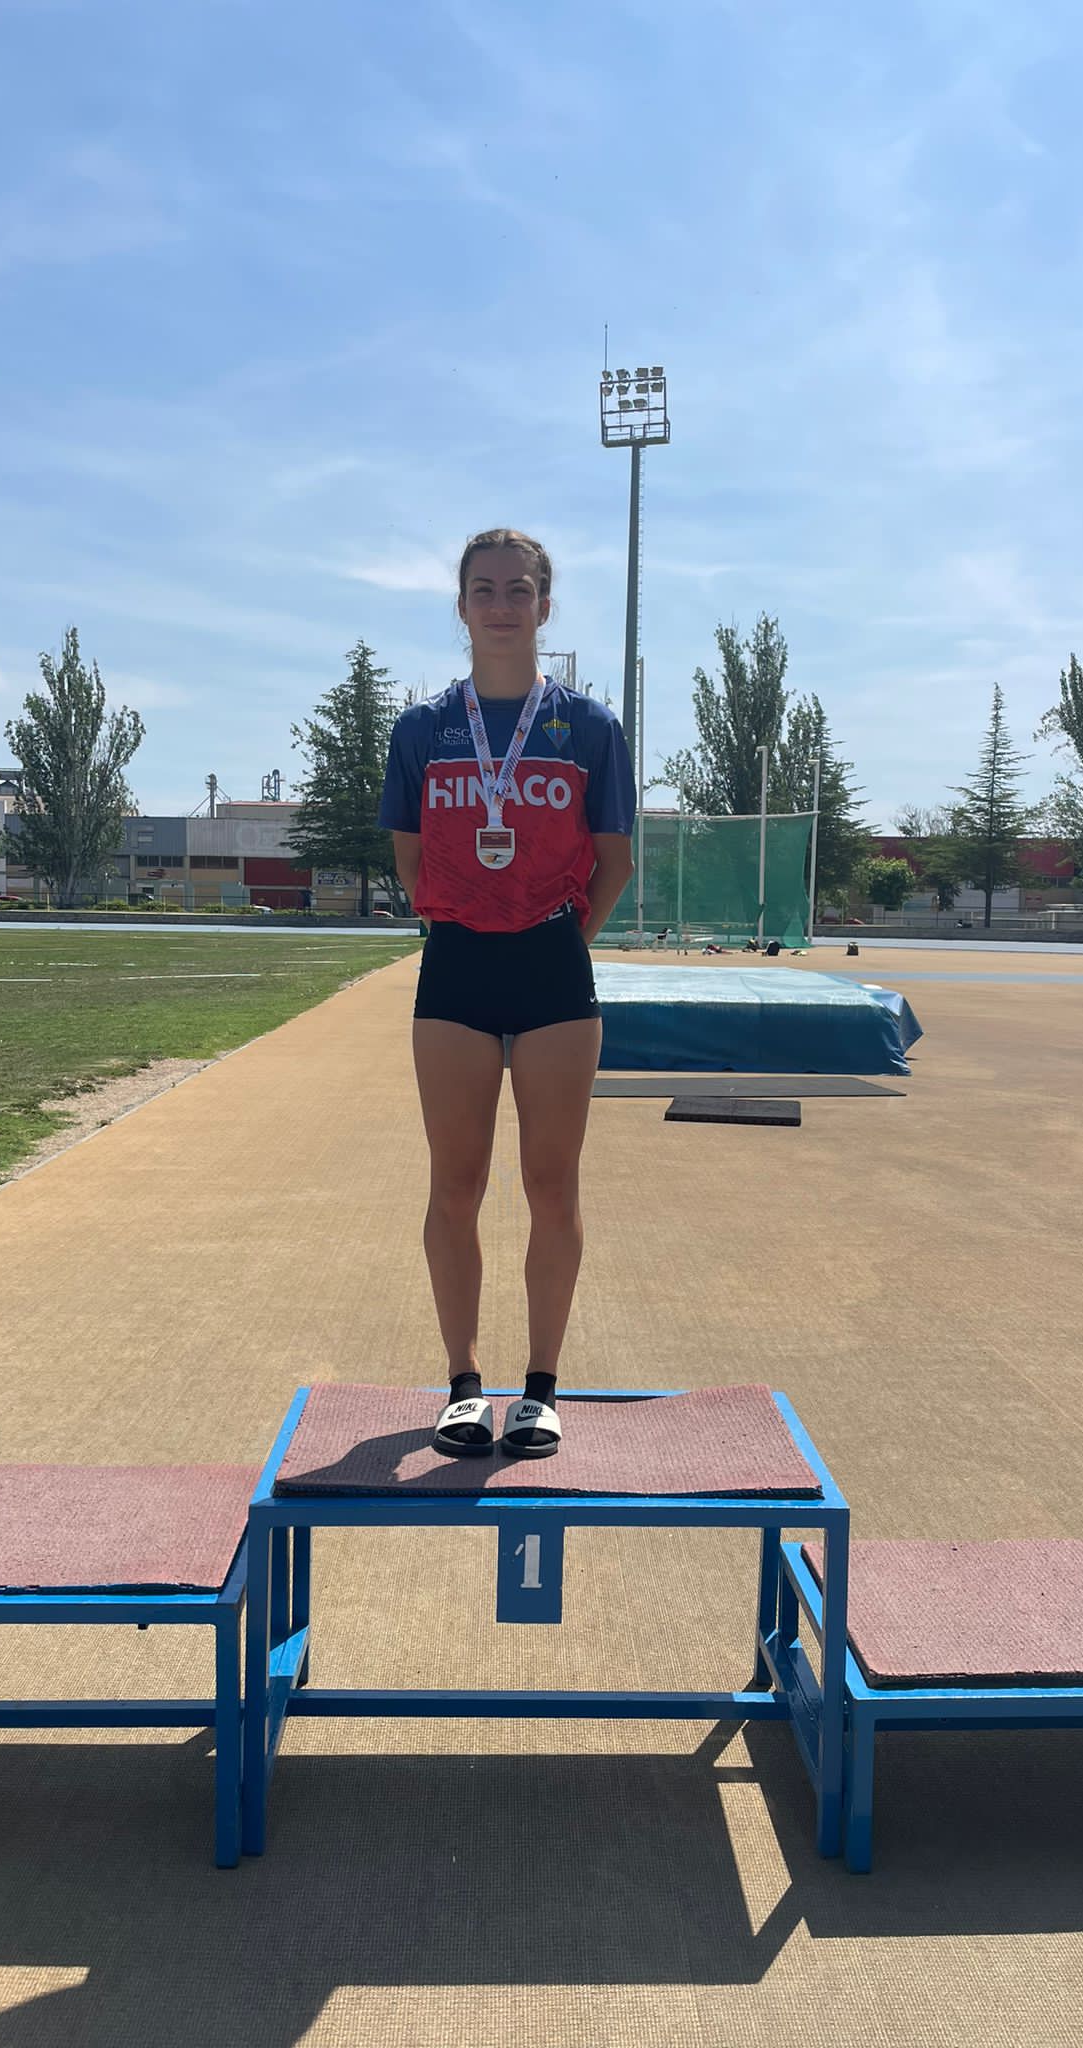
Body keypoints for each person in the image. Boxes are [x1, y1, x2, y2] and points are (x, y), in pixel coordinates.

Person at [380, 528, 636, 1461]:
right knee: (456, 1184)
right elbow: (410, 855)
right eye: (483, 590)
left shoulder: (590, 730)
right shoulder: (420, 731)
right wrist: (471, 912)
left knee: (550, 1185)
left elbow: (614, 859)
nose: (500, 605)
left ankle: (539, 1388)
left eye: (518, 590)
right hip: (455, 967)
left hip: (552, 970)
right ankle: (461, 1383)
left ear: (544, 606)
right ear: (460, 606)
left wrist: (565, 938)